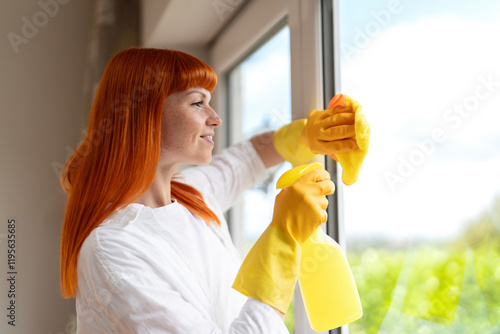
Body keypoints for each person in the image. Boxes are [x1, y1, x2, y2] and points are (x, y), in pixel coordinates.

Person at [60, 47, 358, 333]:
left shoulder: (190, 194)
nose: (215, 118)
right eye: (197, 102)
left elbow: (247, 157)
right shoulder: (112, 249)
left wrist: (307, 135)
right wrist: (283, 239)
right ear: (145, 114)